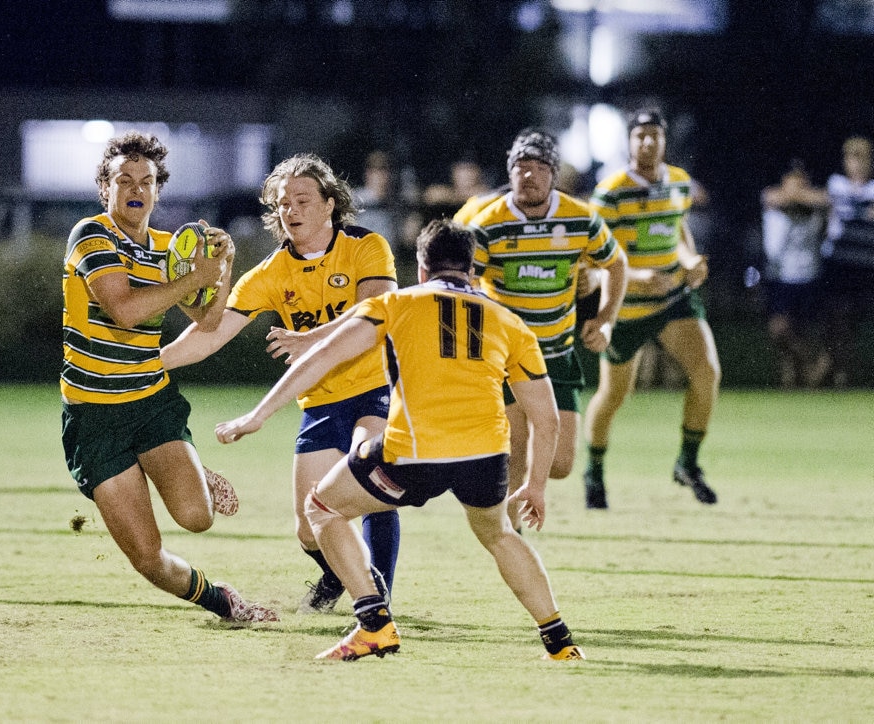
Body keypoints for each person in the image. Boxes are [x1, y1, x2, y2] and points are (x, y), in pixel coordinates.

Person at [214, 219, 584, 662]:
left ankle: (374, 623)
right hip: (486, 454)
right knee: (500, 534)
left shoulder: (396, 303)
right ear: (471, 269)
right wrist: (536, 484)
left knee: (322, 507)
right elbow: (546, 419)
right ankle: (560, 644)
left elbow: (322, 356)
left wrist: (259, 414)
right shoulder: (509, 322)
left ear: (422, 269)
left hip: (414, 452)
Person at [161, 152, 401, 613]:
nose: (290, 210)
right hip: (319, 400)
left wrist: (309, 337)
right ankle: (338, 576)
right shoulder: (272, 273)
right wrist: (151, 364)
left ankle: (377, 597)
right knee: (307, 528)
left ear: (330, 204)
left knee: (373, 486)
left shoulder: (367, 247)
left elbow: (376, 310)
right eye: (282, 203)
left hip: (374, 388)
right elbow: (210, 334)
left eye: (302, 200)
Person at [61, 130, 277, 623]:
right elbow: (123, 311)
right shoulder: (90, 235)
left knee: (197, 518)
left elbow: (206, 319)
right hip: (93, 417)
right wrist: (192, 278)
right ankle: (223, 601)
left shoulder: (166, 248)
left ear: (158, 191)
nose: (135, 188)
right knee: (147, 559)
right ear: (105, 188)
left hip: (150, 402)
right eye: (123, 180)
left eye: (147, 180)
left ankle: (192, 471)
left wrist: (221, 268)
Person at [466, 130, 627, 527]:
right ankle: (511, 535)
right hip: (508, 359)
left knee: (560, 464)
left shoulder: (579, 217)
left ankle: (510, 504)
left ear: (554, 175)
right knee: (517, 452)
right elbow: (466, 282)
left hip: (557, 353)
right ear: (510, 172)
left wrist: (603, 318)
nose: (529, 176)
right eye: (521, 168)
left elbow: (616, 264)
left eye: (539, 168)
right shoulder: (489, 224)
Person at [583, 108, 721, 509]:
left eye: (654, 135)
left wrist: (689, 259)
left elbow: (676, 228)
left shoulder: (679, 182)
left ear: (664, 140)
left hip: (673, 299)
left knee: (707, 372)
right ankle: (593, 472)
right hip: (625, 308)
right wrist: (639, 276)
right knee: (613, 395)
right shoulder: (610, 192)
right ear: (629, 142)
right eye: (639, 135)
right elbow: (594, 257)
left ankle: (688, 463)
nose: (647, 142)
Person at [760, 161, 830, 388]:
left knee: (805, 330)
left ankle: (794, 379)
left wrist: (799, 195)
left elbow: (825, 199)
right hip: (780, 278)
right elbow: (769, 196)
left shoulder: (813, 213)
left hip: (809, 275)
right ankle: (810, 362)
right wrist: (792, 195)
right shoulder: (774, 210)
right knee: (779, 331)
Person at [819, 135, 874, 387]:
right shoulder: (836, 184)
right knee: (837, 319)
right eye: (851, 158)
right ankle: (837, 370)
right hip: (838, 263)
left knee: (855, 322)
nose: (856, 164)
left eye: (861, 158)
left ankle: (846, 371)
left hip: (865, 265)